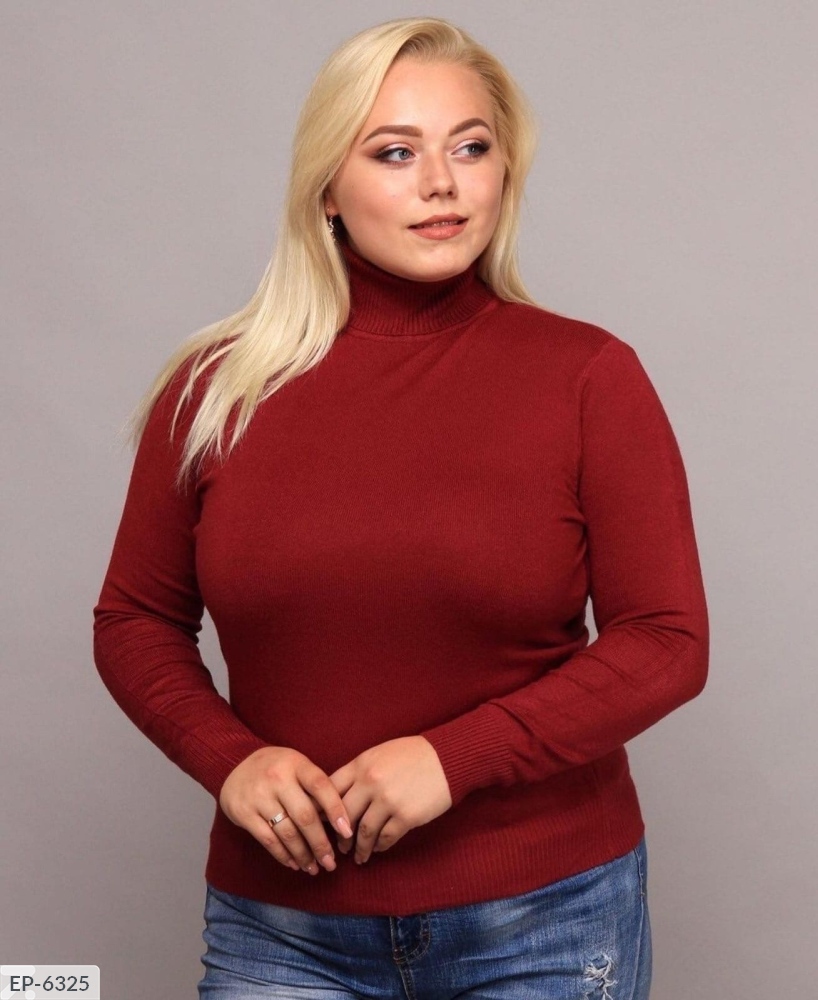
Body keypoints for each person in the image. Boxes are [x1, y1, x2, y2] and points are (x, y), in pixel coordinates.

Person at [93, 16, 708, 999]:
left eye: (470, 148)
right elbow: (133, 619)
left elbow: (667, 640)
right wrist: (231, 762)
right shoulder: (215, 390)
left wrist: (453, 759)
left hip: (545, 920)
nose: (442, 184)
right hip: (281, 929)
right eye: (394, 152)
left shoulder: (587, 376)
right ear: (325, 187)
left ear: (503, 172)